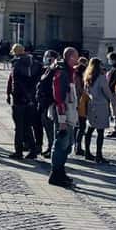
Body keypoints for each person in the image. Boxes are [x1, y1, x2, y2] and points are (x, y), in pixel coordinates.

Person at [48, 47, 80, 188]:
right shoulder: (61, 72)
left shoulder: (70, 72)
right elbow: (58, 96)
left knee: (67, 146)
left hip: (70, 113)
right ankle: (55, 174)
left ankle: (61, 171)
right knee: (61, 144)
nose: (77, 60)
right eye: (75, 57)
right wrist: (61, 119)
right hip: (63, 114)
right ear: (69, 57)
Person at [7, 45, 39, 159]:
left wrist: (12, 95)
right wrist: (30, 97)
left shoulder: (17, 64)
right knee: (27, 126)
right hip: (30, 99)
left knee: (19, 127)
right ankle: (33, 150)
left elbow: (16, 83)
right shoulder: (34, 63)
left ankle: (18, 151)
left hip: (19, 99)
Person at [83, 57, 114, 164]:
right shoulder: (101, 78)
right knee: (100, 131)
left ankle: (87, 152)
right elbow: (107, 92)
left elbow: (86, 91)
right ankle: (99, 155)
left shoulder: (87, 77)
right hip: (101, 106)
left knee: (90, 129)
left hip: (91, 105)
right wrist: (112, 100)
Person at [37, 51, 59, 157]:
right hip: (43, 102)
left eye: (48, 57)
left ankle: (52, 148)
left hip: (49, 102)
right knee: (47, 127)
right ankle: (50, 147)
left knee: (51, 128)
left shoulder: (55, 70)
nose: (45, 59)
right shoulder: (46, 69)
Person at [105, 50, 116, 137]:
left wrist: (109, 90)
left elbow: (114, 82)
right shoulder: (115, 68)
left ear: (113, 59)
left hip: (114, 93)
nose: (108, 61)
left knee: (115, 111)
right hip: (113, 92)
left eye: (109, 59)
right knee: (114, 111)